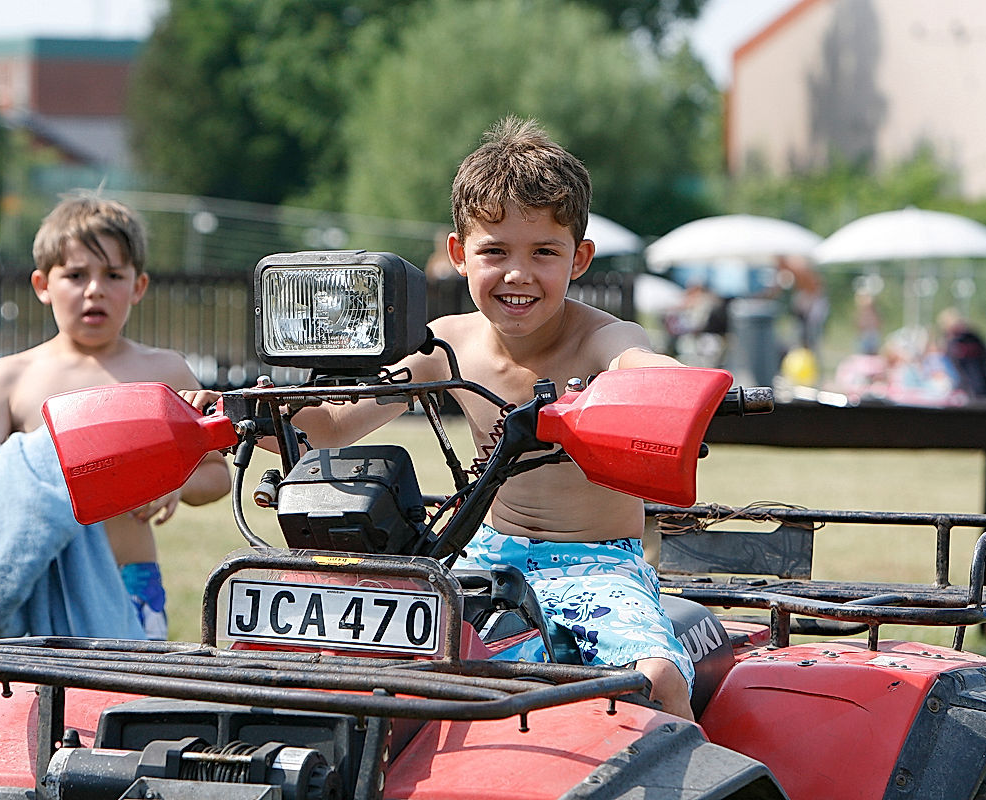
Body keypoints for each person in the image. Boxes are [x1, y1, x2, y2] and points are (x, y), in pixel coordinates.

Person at [188, 117, 696, 719]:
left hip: (597, 560)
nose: (518, 273)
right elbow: (333, 424)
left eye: (544, 252)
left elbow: (645, 363)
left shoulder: (601, 339)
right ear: (458, 254)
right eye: (495, 251)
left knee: (656, 679)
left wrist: (665, 382)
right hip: (481, 552)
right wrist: (261, 416)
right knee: (367, 666)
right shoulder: (446, 346)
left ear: (579, 258)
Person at [0, 195, 230, 640]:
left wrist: (176, 482)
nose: (95, 289)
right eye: (75, 275)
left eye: (113, 275)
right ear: (42, 284)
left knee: (128, 702)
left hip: (132, 580)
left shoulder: (164, 373)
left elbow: (217, 473)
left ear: (139, 286)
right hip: (46, 587)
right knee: (49, 707)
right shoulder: (11, 378)